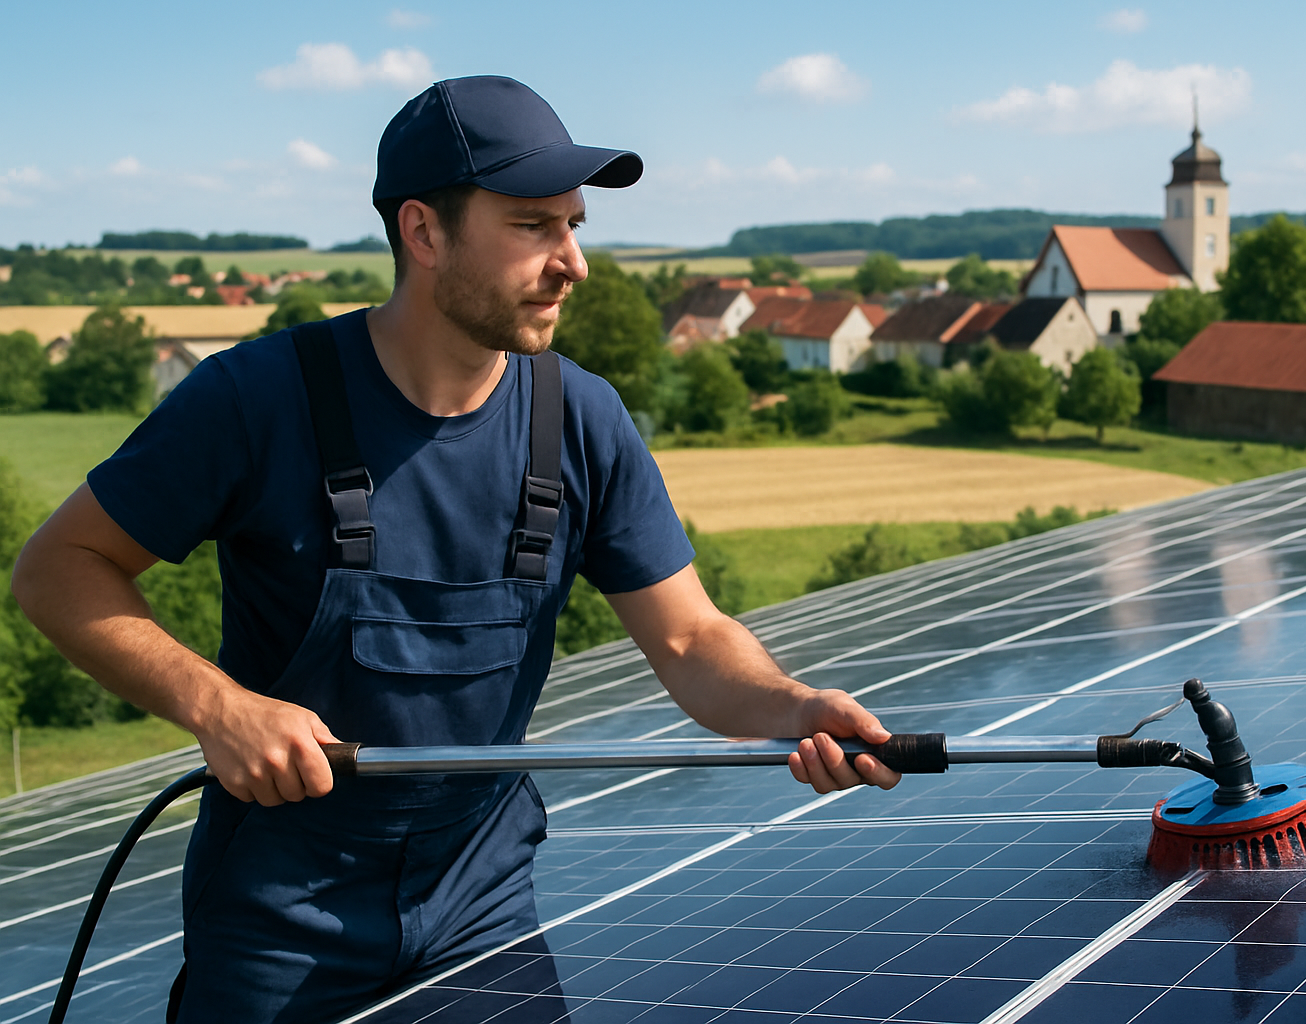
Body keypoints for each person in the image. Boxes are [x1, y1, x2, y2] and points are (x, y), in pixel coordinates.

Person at [11, 76, 899, 1023]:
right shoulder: (256, 399)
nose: (572, 264)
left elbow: (689, 642)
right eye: (531, 228)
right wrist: (218, 707)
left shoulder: (581, 419)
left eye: (575, 226)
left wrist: (793, 705)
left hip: (483, 909)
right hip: (279, 922)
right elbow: (58, 567)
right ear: (423, 233)